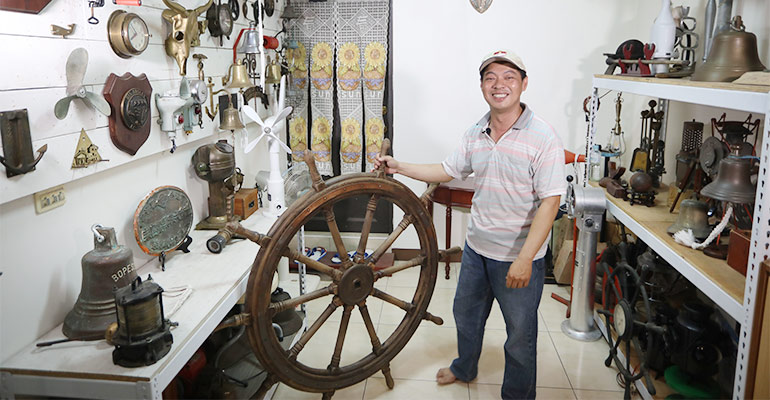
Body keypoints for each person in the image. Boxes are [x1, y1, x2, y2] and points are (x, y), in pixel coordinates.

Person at [375, 50, 565, 399]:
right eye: (490, 78)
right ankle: (464, 367)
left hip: (518, 256)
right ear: (482, 86)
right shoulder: (476, 132)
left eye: (509, 77)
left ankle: (518, 396)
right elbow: (446, 170)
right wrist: (399, 167)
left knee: (520, 336)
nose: (499, 85)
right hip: (477, 250)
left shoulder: (543, 137)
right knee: (466, 315)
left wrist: (525, 258)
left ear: (524, 84)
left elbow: (551, 202)